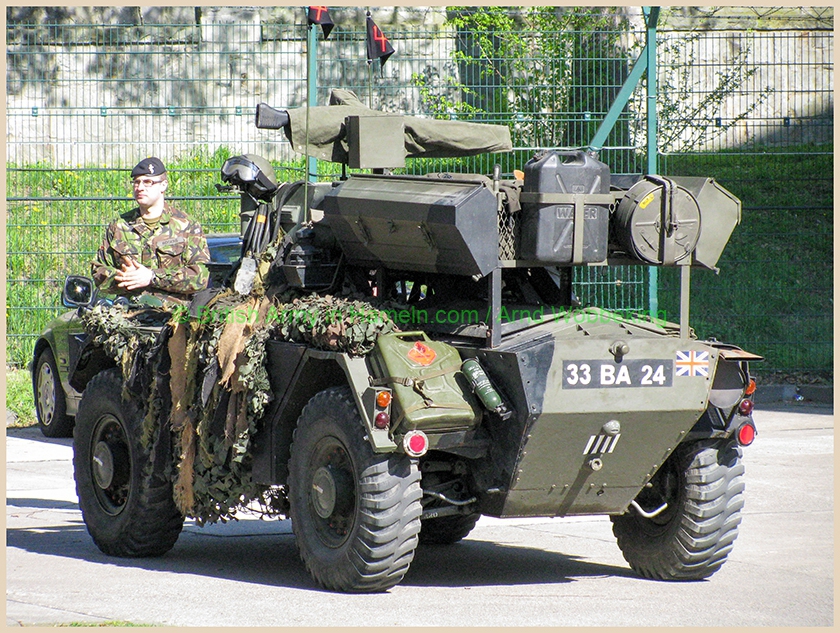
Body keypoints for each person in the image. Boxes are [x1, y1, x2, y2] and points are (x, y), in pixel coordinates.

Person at [91, 157, 210, 306]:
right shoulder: (120, 226)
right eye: (136, 182)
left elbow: (201, 276)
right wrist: (124, 278)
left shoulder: (186, 226)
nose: (140, 187)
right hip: (128, 316)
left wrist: (152, 277)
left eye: (148, 182)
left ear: (163, 185)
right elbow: (98, 270)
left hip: (173, 319)